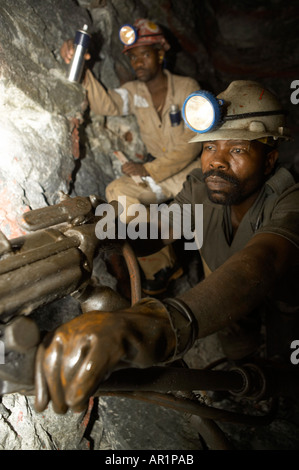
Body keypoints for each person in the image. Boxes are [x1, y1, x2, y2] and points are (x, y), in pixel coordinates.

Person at [34, 80, 299, 415]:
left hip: (286, 304)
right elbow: (161, 228)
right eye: (209, 148)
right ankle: (247, 381)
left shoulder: (291, 202)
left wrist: (151, 324)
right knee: (238, 345)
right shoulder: (204, 189)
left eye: (237, 150)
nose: (216, 161)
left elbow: (260, 265)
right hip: (227, 300)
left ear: (269, 159)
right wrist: (102, 231)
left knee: (284, 368)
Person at [60, 18, 202, 295]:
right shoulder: (135, 93)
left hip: (190, 175)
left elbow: (192, 144)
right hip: (159, 177)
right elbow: (107, 104)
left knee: (209, 219)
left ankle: (178, 229)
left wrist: (148, 170)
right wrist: (83, 65)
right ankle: (160, 264)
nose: (138, 62)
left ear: (161, 53)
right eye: (133, 57)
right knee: (118, 191)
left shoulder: (187, 87)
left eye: (145, 54)